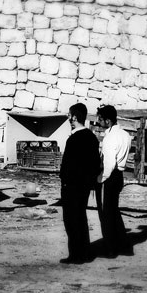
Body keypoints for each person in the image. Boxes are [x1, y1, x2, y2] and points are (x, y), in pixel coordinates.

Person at [59, 103, 100, 265]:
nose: (68, 118)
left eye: (69, 115)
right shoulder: (91, 137)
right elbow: (95, 164)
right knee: (81, 218)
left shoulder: (74, 139)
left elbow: (67, 166)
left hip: (71, 187)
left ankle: (75, 255)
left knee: (71, 221)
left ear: (74, 117)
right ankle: (84, 252)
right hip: (84, 187)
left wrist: (65, 182)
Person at [96, 104, 133, 258]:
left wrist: (101, 178)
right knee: (114, 212)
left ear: (108, 121)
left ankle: (111, 248)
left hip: (110, 176)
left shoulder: (110, 137)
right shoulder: (125, 135)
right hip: (119, 176)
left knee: (106, 214)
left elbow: (109, 162)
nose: (99, 122)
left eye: (101, 120)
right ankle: (123, 246)